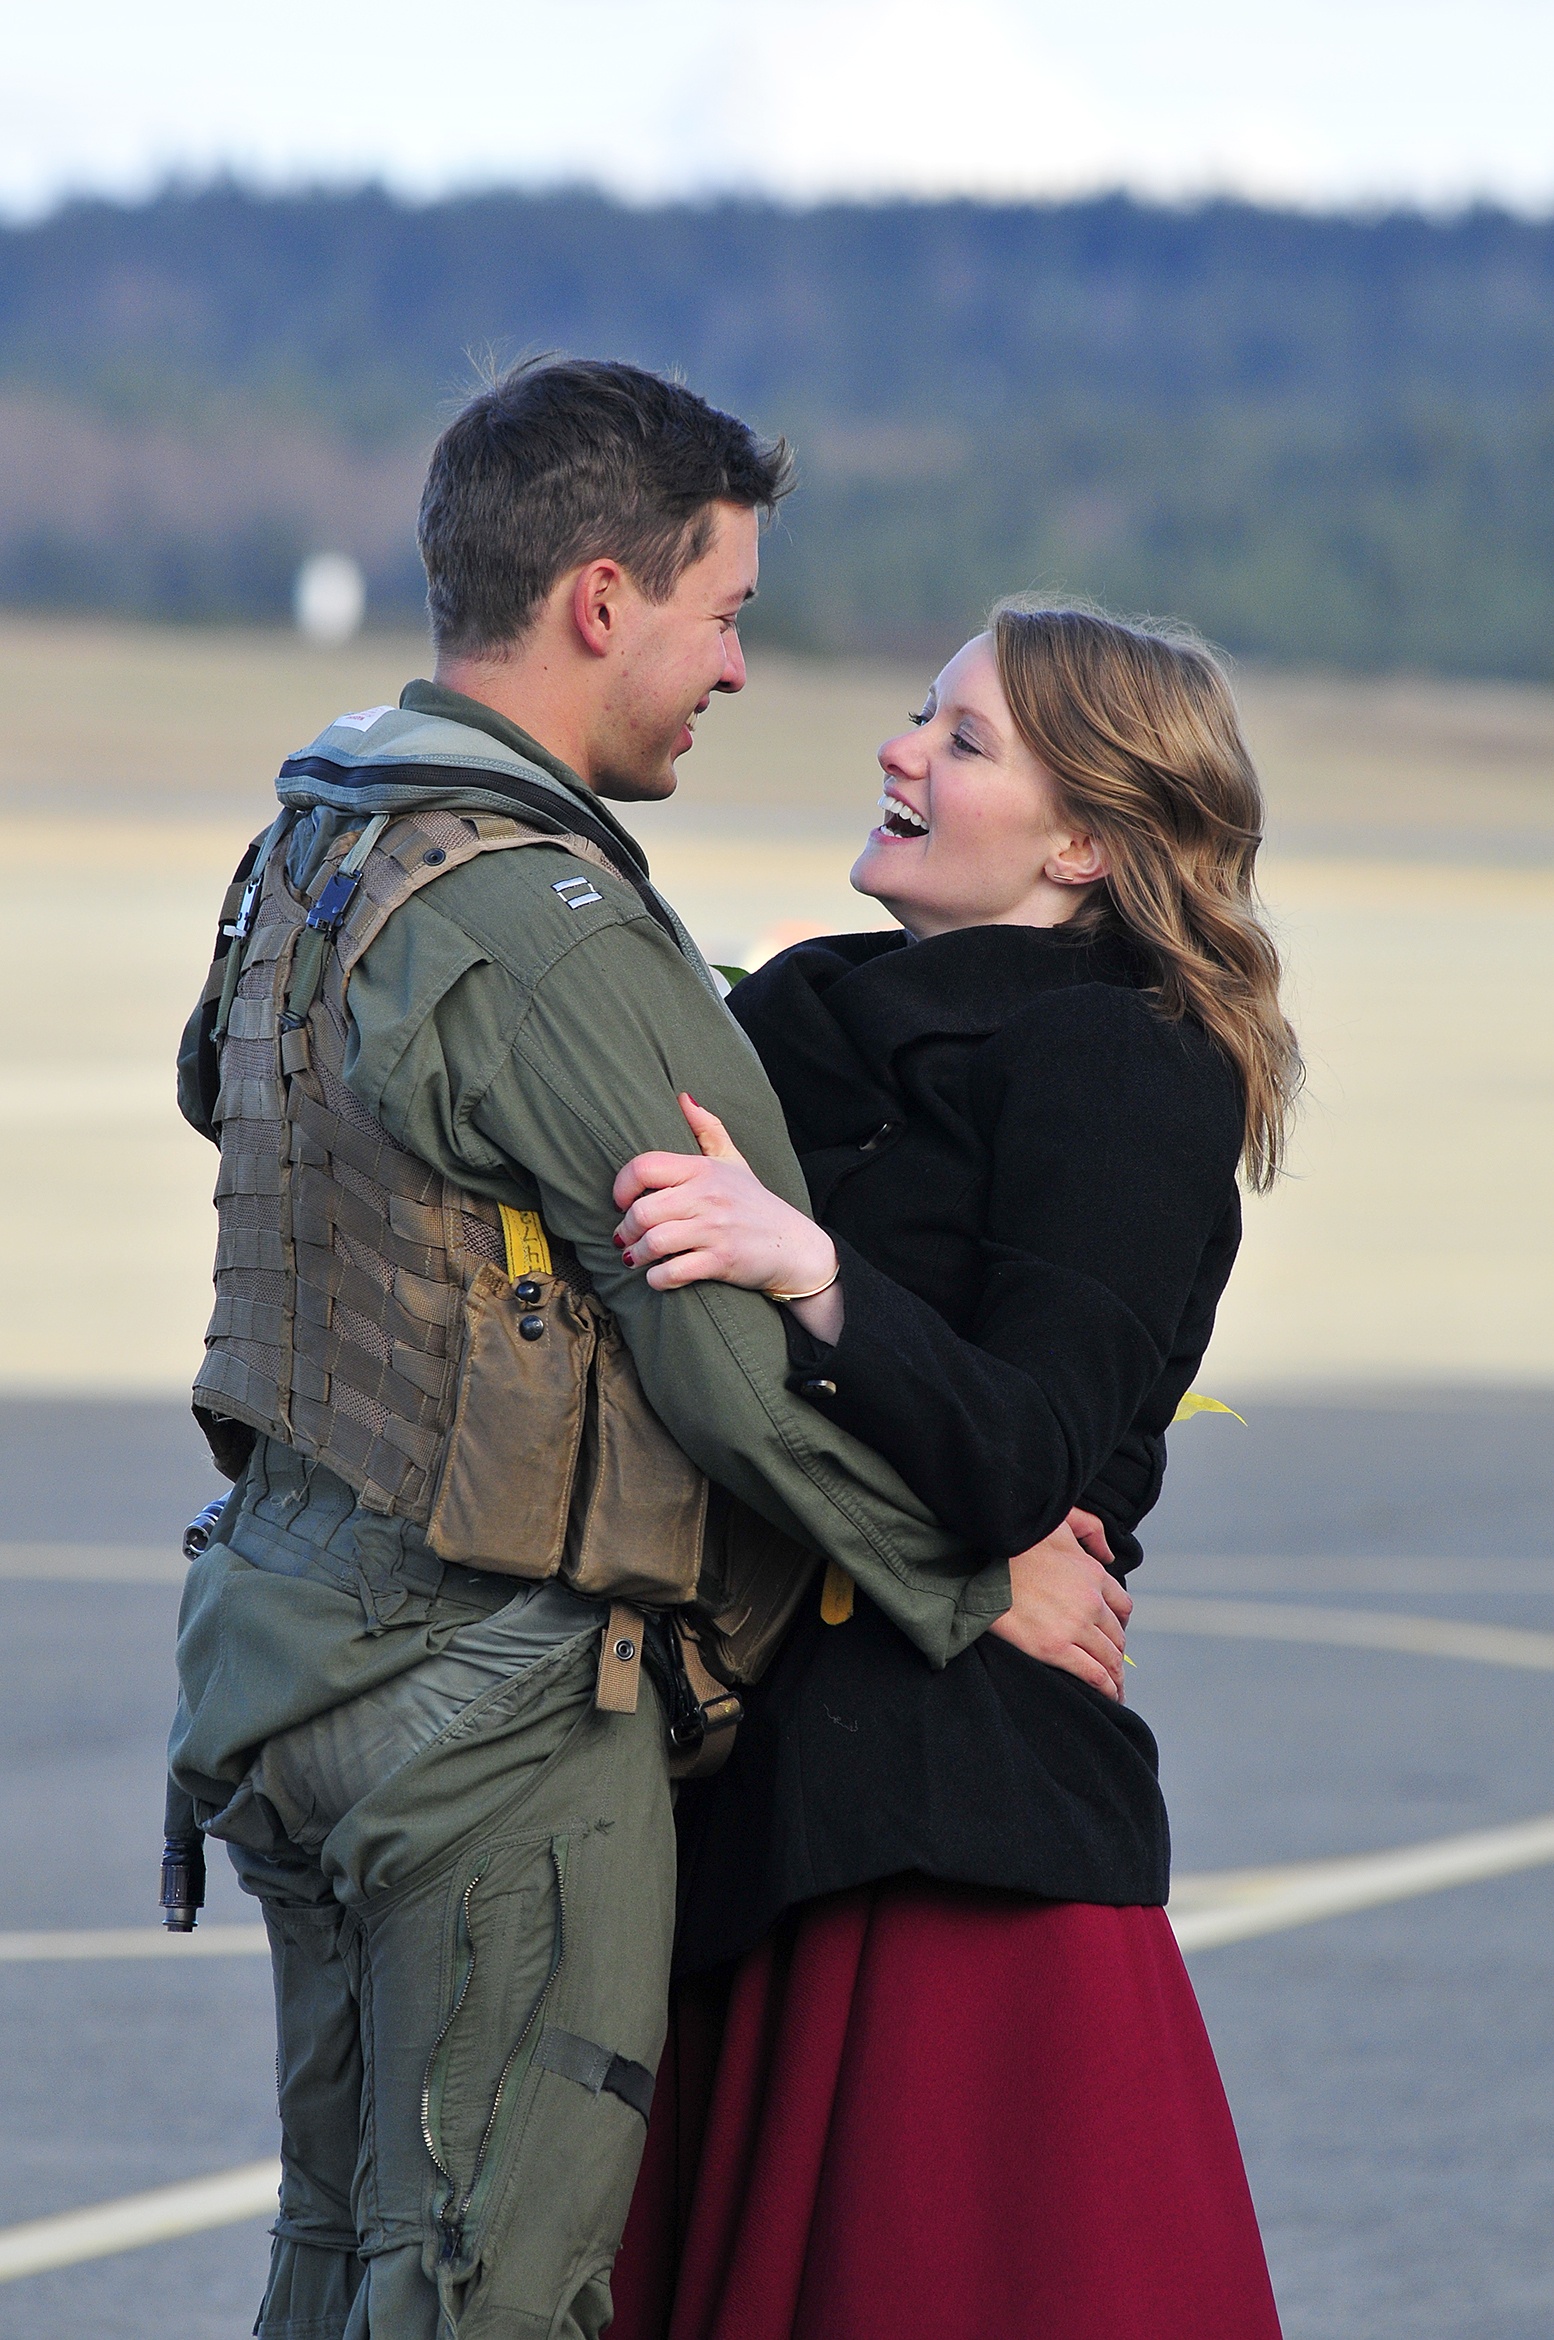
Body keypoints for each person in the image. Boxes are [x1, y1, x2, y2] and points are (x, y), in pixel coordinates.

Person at [166, 359, 1054, 2340]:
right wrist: (973, 1582)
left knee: (337, 2255)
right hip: (483, 1706)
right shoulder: (547, 919)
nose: (735, 666)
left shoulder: (317, 845)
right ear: (598, 601)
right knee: (489, 2292)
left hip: (283, 1647)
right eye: (721, 611)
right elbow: (729, 1364)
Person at [606, 605, 1299, 2339]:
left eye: (961, 738)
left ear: (1082, 846)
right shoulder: (799, 1009)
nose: (898, 749)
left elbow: (1024, 1449)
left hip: (946, 1843)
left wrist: (810, 1271)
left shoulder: (1125, 1061)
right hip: (736, 1792)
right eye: (922, 712)